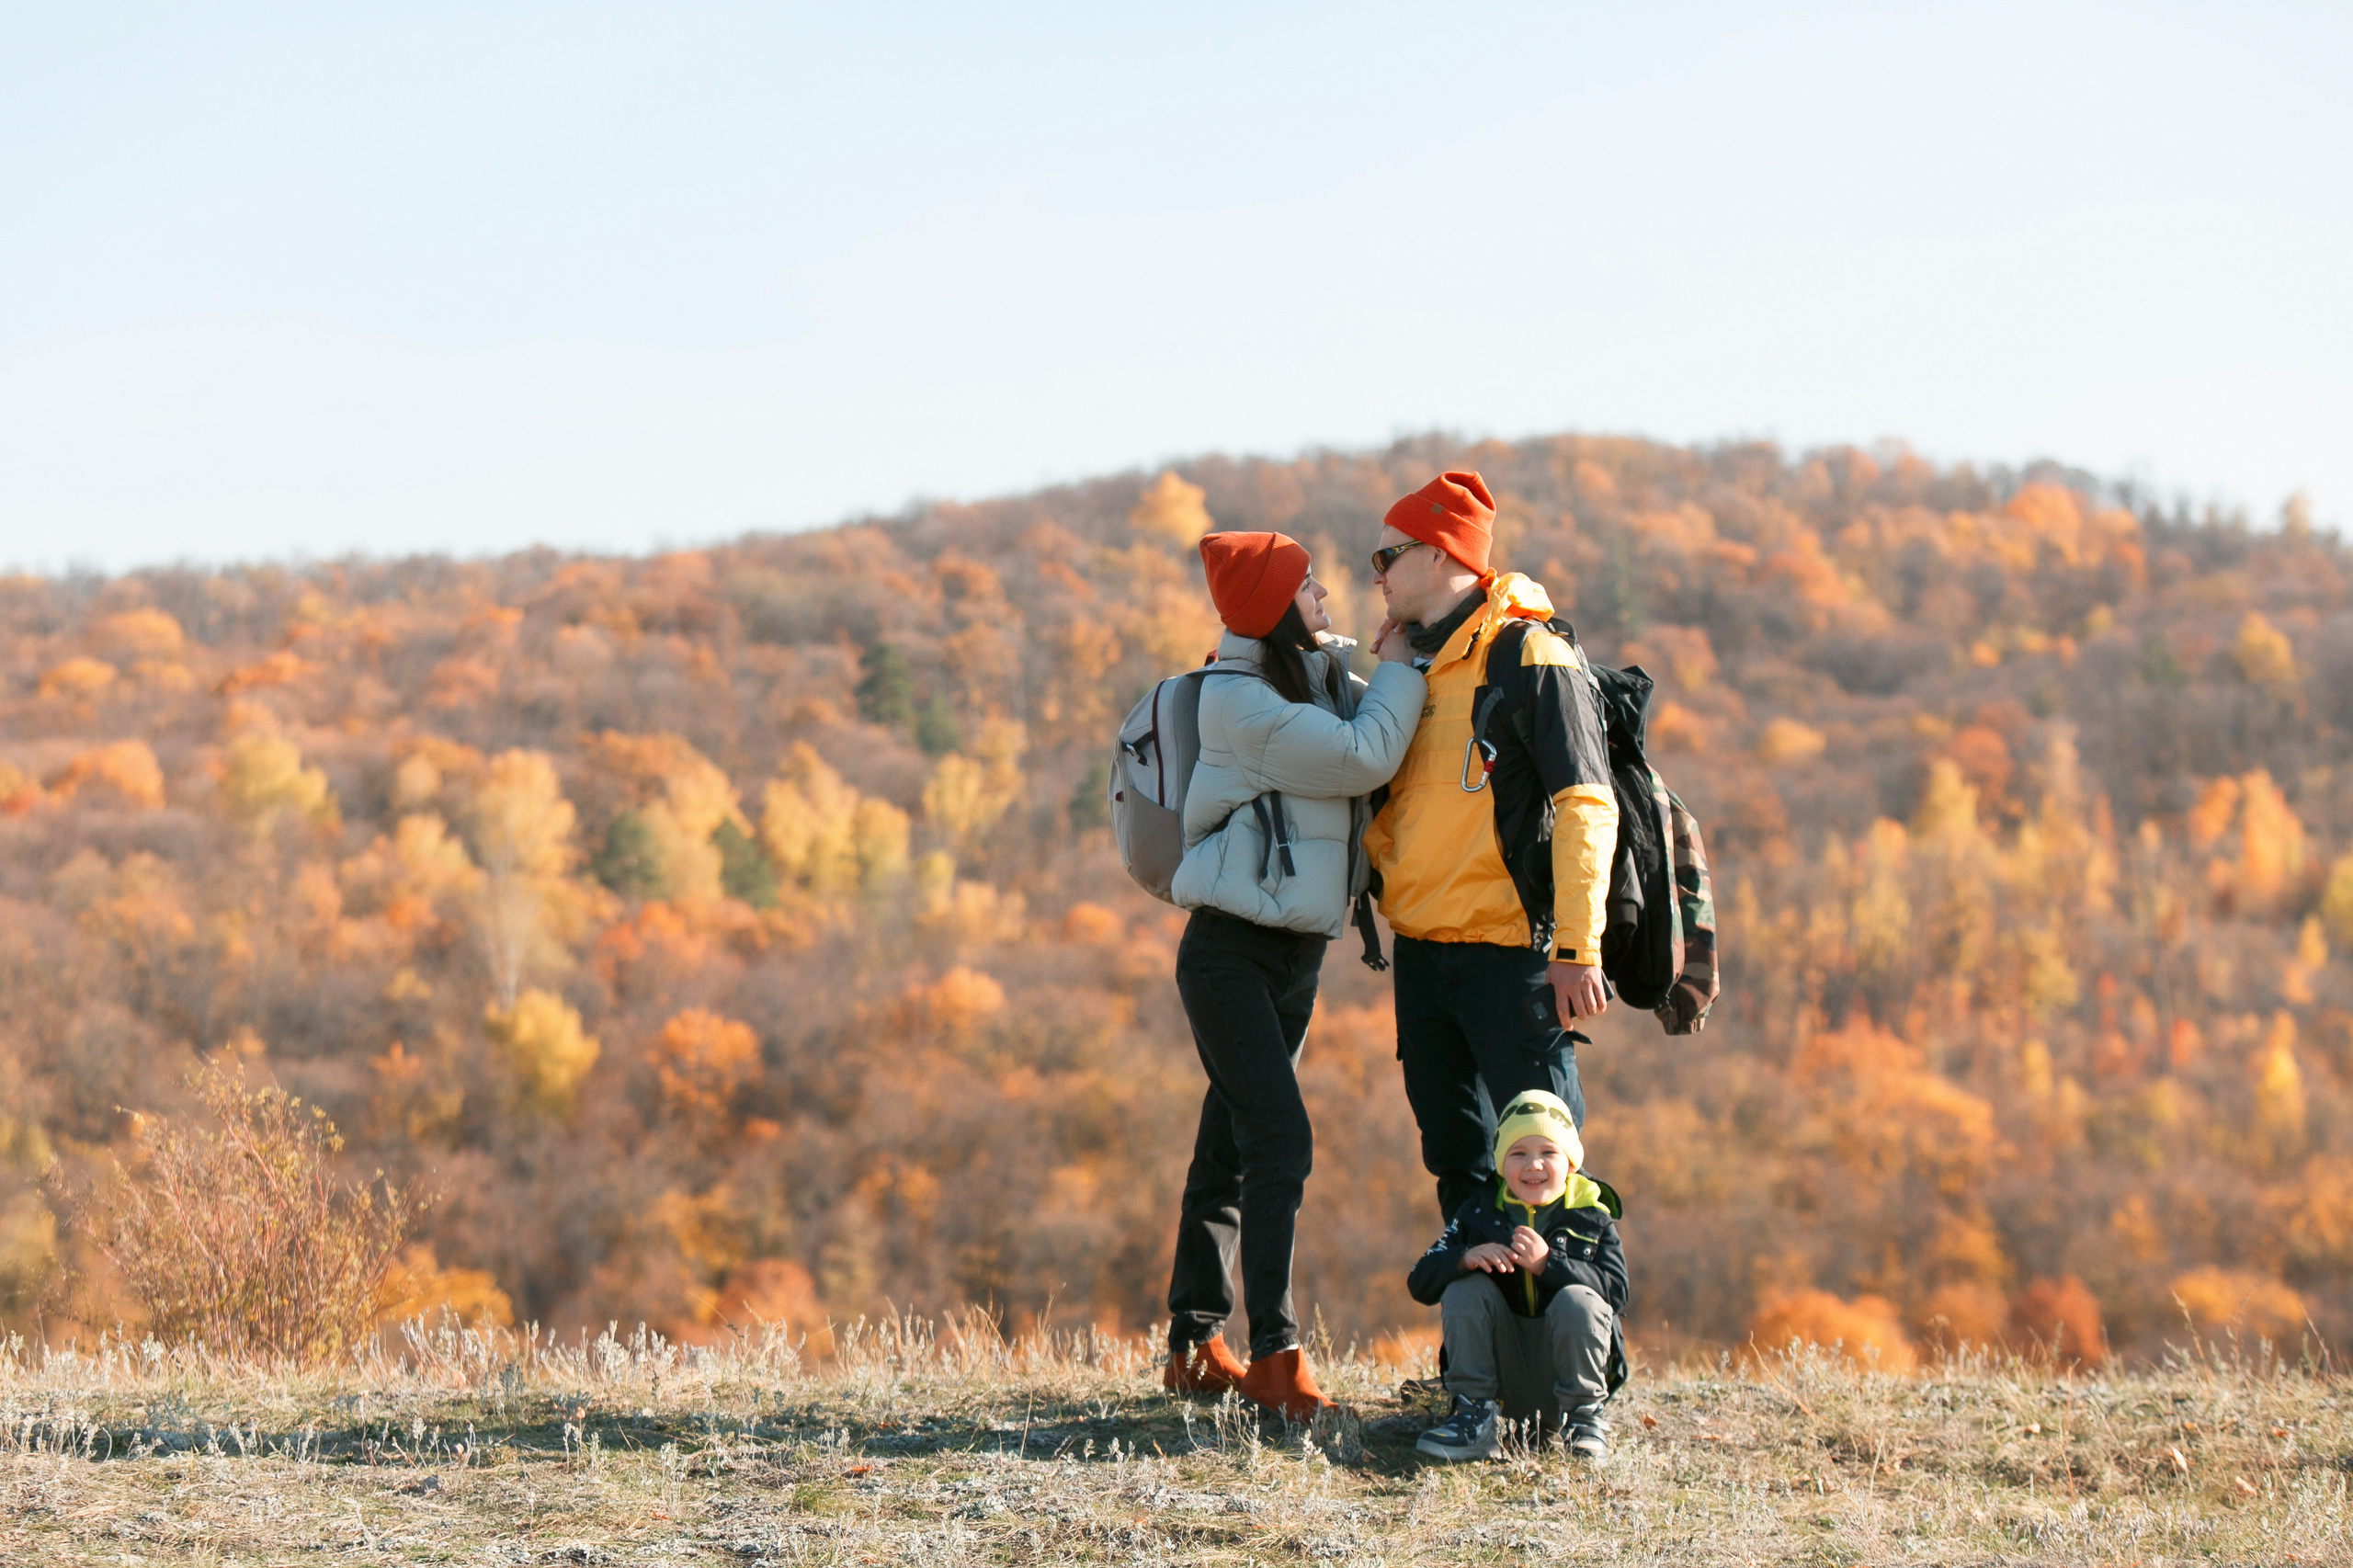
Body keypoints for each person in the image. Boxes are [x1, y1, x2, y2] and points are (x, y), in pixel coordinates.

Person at [1161, 528, 1427, 1419]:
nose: (1326, 597)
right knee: (1280, 1140)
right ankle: (1275, 1358)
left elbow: (1372, 727)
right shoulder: (1239, 699)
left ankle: (1194, 1344)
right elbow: (1364, 755)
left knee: (1230, 1142)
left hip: (1293, 950)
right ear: (1275, 607)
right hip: (1230, 951)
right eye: (1308, 586)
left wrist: (1382, 662)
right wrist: (1399, 664)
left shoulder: (1308, 679)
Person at [1360, 471, 1620, 1220]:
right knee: (1459, 1171)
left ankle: (1575, 1299)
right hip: (1422, 958)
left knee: (1547, 1173)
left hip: (1513, 961)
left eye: (1388, 557)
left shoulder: (1528, 655)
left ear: (1440, 553)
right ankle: (1477, 1303)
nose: (1376, 575)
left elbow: (1585, 803)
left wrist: (1577, 947)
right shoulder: (1412, 668)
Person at [1407, 1090, 1628, 1461]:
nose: (1533, 1165)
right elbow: (1420, 1280)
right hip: (1501, 1384)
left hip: (1563, 1376)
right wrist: (1464, 1258)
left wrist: (1548, 1265)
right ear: (1500, 1163)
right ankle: (1474, 1419)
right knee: (1464, 1289)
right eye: (1518, 1153)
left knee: (1579, 1300)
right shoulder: (1478, 1212)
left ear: (1571, 1162)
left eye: (1549, 1152)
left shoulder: (1592, 1216)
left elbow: (1617, 1291)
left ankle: (1583, 1421)